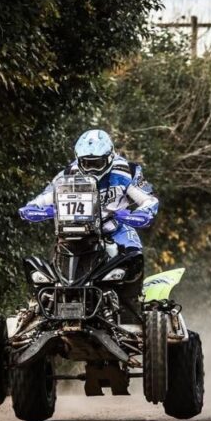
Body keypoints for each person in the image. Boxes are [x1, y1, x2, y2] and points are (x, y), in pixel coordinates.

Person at [20, 129, 159, 323]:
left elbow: (149, 200)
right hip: (76, 234)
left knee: (134, 257)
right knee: (47, 270)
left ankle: (132, 313)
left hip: (115, 228)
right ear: (78, 159)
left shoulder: (126, 171)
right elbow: (41, 199)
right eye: (86, 163)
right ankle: (38, 308)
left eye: (97, 163)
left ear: (109, 157)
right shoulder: (67, 174)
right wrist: (33, 209)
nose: (92, 169)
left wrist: (142, 213)